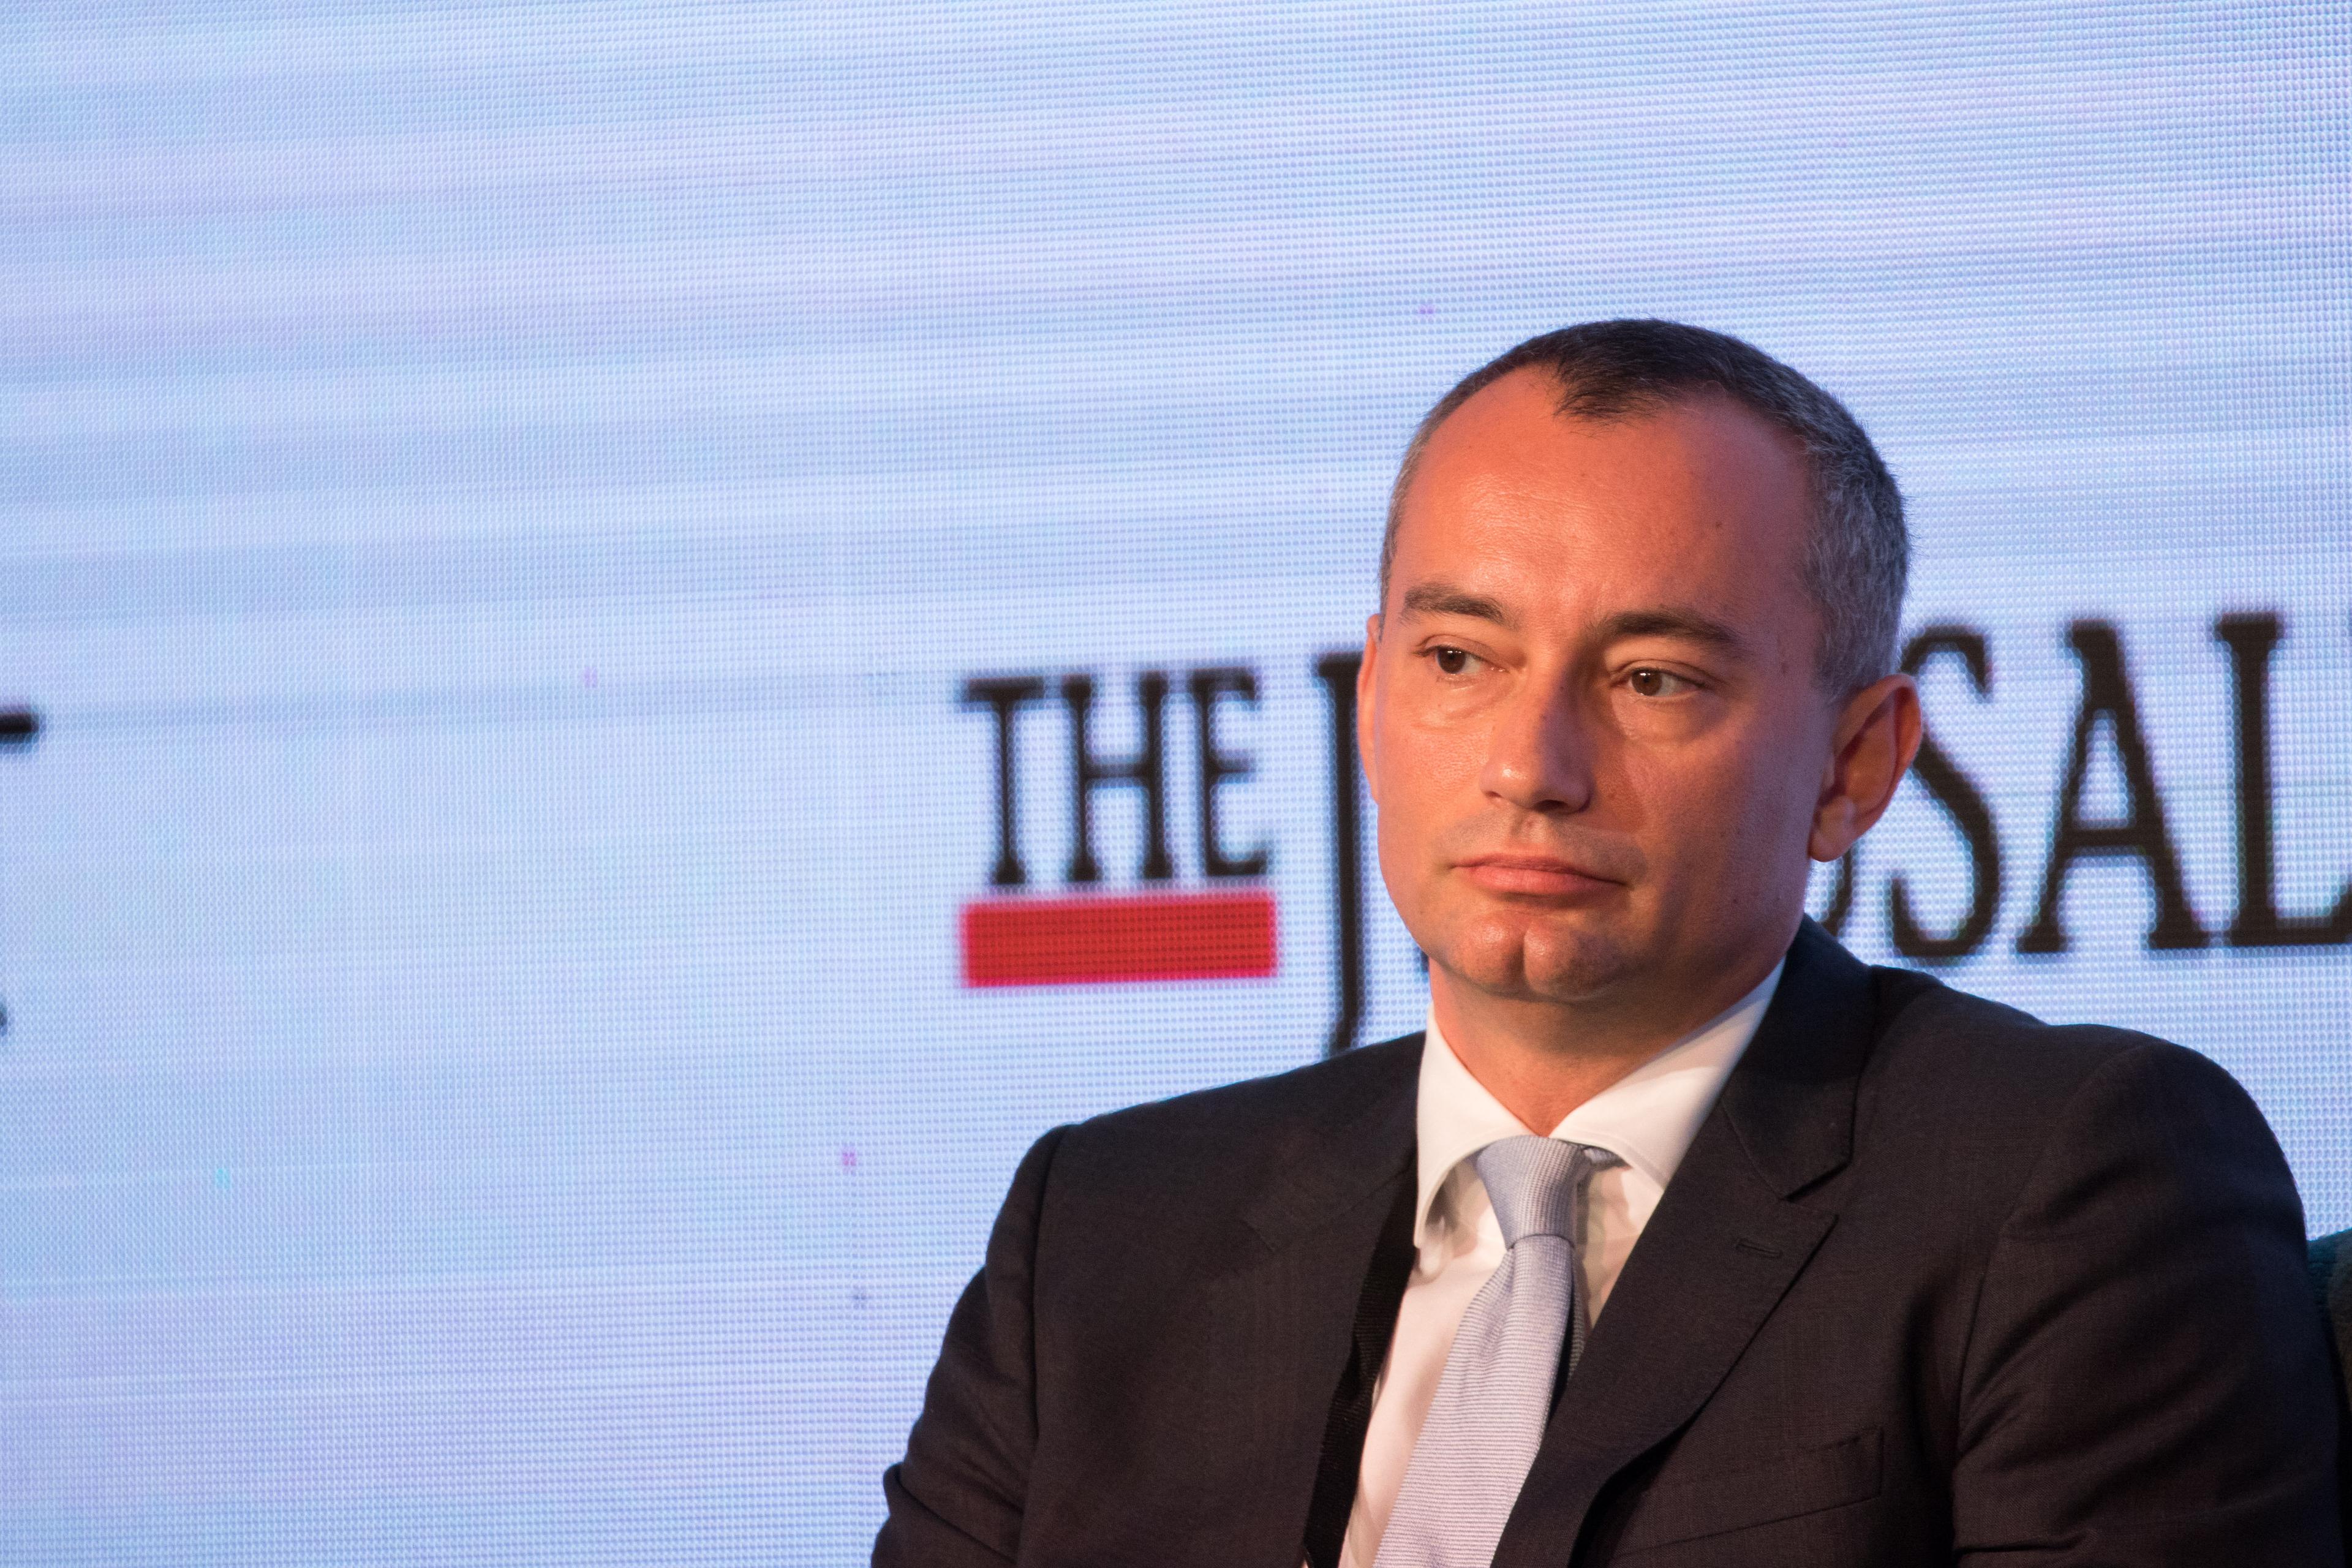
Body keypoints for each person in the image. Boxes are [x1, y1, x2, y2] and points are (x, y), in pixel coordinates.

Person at [873, 321, 2345, 1566]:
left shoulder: (2069, 1180)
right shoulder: (1104, 1230)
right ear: (1373, 696)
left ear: (1858, 765)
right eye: (1461, 658)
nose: (1534, 762)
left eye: (1651, 678)